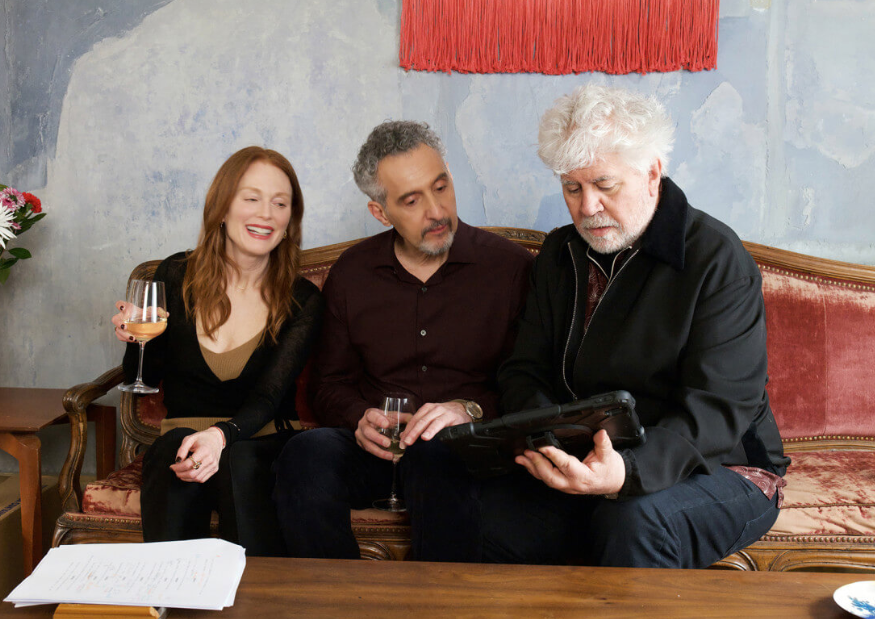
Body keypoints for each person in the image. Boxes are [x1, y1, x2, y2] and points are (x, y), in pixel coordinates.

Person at [490, 84, 789, 568]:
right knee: (465, 492)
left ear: (652, 174)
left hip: (722, 467)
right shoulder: (559, 254)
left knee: (630, 519)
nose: (587, 207)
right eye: (572, 188)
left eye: (604, 185)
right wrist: (549, 440)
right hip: (588, 458)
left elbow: (719, 409)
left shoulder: (716, 257)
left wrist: (627, 473)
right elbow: (523, 370)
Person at [273, 120, 533, 561]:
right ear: (381, 212)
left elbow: (528, 383)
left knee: (436, 453)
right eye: (412, 201)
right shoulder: (352, 274)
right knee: (304, 454)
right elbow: (329, 384)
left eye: (441, 187)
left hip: (466, 453)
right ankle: (336, 594)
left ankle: (441, 597)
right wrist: (360, 418)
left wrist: (468, 409)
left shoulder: (510, 268)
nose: (436, 211)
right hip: (380, 453)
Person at [112, 146, 323, 555]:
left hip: (260, 441)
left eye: (280, 203)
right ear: (222, 207)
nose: (266, 213)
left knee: (237, 461)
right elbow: (145, 377)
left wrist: (219, 437)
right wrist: (137, 339)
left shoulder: (302, 299)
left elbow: (269, 397)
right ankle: (171, 587)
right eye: (252, 198)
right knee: (171, 452)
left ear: (290, 221)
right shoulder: (176, 275)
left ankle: (254, 591)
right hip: (182, 441)